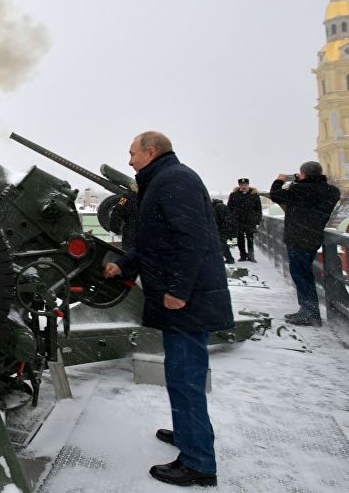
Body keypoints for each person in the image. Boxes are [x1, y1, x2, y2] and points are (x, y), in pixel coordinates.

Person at [103, 131, 233, 487]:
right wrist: (126, 265)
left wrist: (178, 291)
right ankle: (188, 434)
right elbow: (155, 241)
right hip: (186, 296)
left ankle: (199, 463)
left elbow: (191, 241)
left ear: (151, 150)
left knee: (186, 377)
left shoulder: (174, 180)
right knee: (180, 374)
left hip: (188, 299)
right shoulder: (164, 179)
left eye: (132, 154)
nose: (129, 161)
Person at [269, 161, 340, 327]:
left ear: (304, 174)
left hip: (297, 238)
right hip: (313, 237)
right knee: (305, 274)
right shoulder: (331, 191)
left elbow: (275, 195)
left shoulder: (298, 190)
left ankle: (309, 313)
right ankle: (309, 311)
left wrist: (280, 180)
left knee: (301, 275)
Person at [227, 178, 262, 262]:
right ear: (239, 185)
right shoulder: (233, 195)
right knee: (240, 239)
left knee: (250, 239)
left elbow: (258, 209)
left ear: (248, 185)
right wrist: (231, 219)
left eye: (245, 185)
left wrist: (257, 221)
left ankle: (251, 256)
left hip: (250, 221)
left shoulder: (254, 195)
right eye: (242, 185)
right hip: (238, 220)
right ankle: (242, 256)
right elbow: (229, 208)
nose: (243, 186)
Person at [211, 199, 234, 264]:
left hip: (222, 229)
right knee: (223, 244)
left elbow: (221, 219)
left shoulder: (219, 207)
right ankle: (229, 258)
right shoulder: (220, 206)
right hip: (224, 229)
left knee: (222, 244)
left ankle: (230, 259)